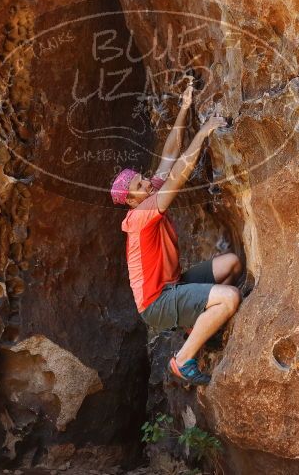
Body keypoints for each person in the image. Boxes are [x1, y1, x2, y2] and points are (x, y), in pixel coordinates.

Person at [110, 81, 242, 386]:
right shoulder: (140, 215)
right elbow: (179, 174)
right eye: (139, 187)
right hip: (156, 304)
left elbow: (170, 155)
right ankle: (183, 359)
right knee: (230, 298)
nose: (146, 184)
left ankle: (197, 326)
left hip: (173, 286)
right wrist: (203, 131)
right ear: (130, 201)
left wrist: (184, 108)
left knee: (232, 263)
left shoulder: (148, 194)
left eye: (142, 180)